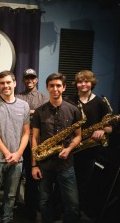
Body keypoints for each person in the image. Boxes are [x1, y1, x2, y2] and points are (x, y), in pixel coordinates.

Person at [31, 73, 82, 223]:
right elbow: (34, 138)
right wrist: (34, 165)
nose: (55, 89)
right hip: (45, 163)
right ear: (47, 87)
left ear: (64, 87)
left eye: (58, 85)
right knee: (44, 203)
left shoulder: (74, 110)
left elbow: (78, 136)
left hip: (66, 164)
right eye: (52, 85)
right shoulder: (39, 112)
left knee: (72, 204)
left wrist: (69, 148)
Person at [64, 70, 112, 216]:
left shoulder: (101, 102)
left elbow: (110, 127)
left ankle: (77, 213)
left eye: (86, 81)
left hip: (90, 149)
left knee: (83, 184)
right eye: (80, 81)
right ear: (76, 84)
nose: (83, 84)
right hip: (72, 148)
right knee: (67, 184)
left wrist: (103, 130)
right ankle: (66, 210)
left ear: (92, 83)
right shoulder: (69, 100)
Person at [0, 71, 30, 223]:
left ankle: (7, 219)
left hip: (17, 159)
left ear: (15, 83)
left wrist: (18, 154)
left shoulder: (24, 105)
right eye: (2, 83)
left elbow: (26, 133)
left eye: (8, 82)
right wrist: (7, 153)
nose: (5, 86)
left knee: (11, 195)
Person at [17, 68, 48, 222]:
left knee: (32, 177)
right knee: (15, 176)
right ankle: (16, 205)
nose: (29, 81)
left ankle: (31, 209)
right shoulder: (17, 96)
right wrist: (33, 112)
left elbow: (43, 116)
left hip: (35, 142)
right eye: (27, 78)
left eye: (32, 78)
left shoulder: (44, 97)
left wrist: (28, 112)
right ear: (23, 80)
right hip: (18, 142)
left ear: (36, 80)